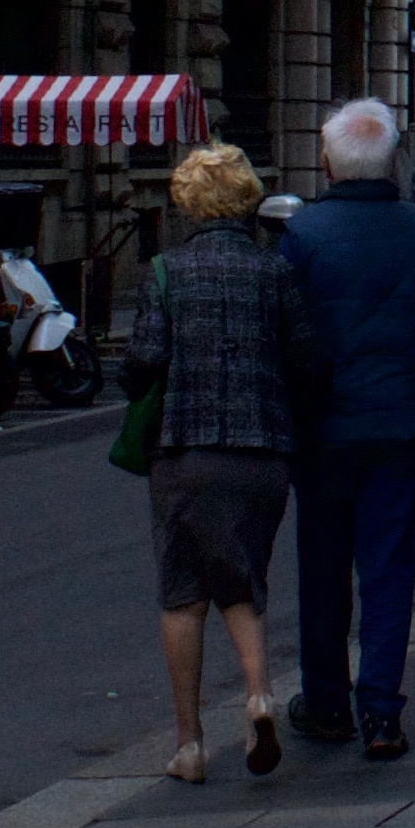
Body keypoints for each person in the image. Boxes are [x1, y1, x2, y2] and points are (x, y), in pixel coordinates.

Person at [281, 93, 415, 761]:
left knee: (324, 566)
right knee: (390, 570)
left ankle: (327, 702)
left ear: (328, 165)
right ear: (390, 162)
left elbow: (288, 342)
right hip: (405, 426)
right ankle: (382, 714)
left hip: (325, 431)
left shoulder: (300, 237)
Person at [121, 143, 300, 786]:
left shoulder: (169, 271)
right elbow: (304, 358)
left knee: (182, 594)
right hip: (262, 455)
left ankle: (190, 744)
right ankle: (258, 697)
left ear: (189, 202)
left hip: (186, 452)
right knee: (243, 578)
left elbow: (143, 361)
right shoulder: (273, 271)